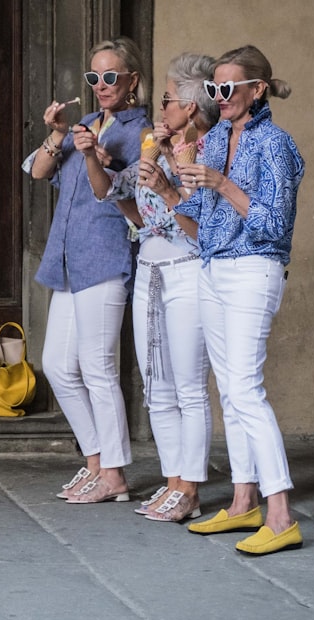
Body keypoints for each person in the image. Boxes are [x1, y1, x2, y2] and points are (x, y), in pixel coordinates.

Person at [171, 45, 306, 555]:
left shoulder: (276, 144)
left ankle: (280, 514)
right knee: (229, 390)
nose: (219, 97)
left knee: (246, 389)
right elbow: (200, 221)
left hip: (254, 270)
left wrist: (223, 183)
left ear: (257, 90)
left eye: (229, 88)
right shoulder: (212, 142)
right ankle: (243, 501)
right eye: (214, 88)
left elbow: (274, 224)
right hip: (212, 269)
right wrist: (168, 183)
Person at [84, 53, 219, 523]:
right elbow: (116, 194)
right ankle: (171, 480)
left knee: (188, 387)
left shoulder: (209, 156)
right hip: (149, 272)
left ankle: (190, 488)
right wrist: (90, 155)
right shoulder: (151, 146)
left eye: (168, 100)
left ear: (192, 109)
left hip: (187, 271)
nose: (160, 108)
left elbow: (202, 227)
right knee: (156, 387)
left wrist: (166, 180)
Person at [22, 37, 150, 504]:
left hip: (106, 258)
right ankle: (95, 462)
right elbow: (38, 172)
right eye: (94, 77)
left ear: (132, 80)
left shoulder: (143, 133)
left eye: (110, 77)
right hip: (68, 260)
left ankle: (114, 475)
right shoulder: (85, 124)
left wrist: (101, 156)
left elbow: (137, 199)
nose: (100, 85)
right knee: (57, 365)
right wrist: (56, 134)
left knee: (98, 368)